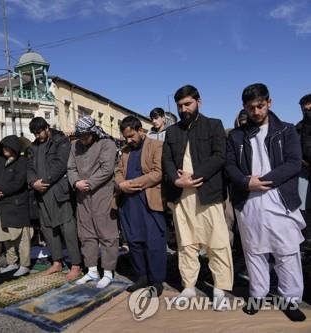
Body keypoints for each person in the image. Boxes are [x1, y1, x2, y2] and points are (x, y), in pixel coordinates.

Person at [226, 83, 306, 322]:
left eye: (260, 106)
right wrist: (245, 182)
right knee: (254, 253)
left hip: (280, 198)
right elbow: (229, 166)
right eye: (251, 108)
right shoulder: (236, 135)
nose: (256, 112)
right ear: (244, 108)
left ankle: (290, 299)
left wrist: (263, 180)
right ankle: (257, 295)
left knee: (287, 252)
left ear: (269, 102)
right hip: (249, 201)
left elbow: (294, 162)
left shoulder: (287, 131)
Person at [162, 85, 233, 310]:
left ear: (198, 102)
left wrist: (195, 175)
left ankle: (220, 289)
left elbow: (220, 156)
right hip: (181, 196)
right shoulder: (172, 132)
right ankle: (189, 287)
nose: (184, 109)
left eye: (188, 104)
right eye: (180, 106)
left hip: (207, 195)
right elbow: (167, 161)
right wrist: (176, 180)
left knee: (218, 244)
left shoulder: (214, 125)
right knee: (186, 245)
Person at [115, 116, 167, 295]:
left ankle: (156, 280)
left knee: (154, 242)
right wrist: (121, 184)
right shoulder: (125, 151)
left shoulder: (156, 146)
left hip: (149, 201)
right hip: (129, 203)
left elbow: (158, 173)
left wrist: (132, 183)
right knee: (134, 242)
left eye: (131, 136)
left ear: (140, 131)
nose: (129, 140)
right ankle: (141, 277)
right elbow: (118, 171)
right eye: (126, 137)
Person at [27, 117, 82, 280]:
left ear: (47, 128)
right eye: (35, 133)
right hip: (41, 194)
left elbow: (60, 164)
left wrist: (44, 181)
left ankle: (76, 264)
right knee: (48, 230)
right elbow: (29, 167)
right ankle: (57, 262)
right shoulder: (33, 147)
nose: (38, 136)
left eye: (40, 132)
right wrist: (33, 182)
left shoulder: (61, 141)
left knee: (68, 229)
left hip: (58, 192)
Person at [67, 116, 118, 288]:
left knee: (106, 233)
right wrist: (75, 182)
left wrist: (88, 183)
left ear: (93, 132)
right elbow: (71, 168)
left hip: (102, 193)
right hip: (82, 195)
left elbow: (107, 169)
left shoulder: (107, 144)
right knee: (86, 233)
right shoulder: (75, 146)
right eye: (80, 135)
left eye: (86, 135)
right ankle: (92, 270)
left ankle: (109, 271)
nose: (83, 139)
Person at [0, 135, 32, 277]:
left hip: (17, 205)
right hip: (2, 205)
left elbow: (18, 183)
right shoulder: (0, 163)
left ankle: (24, 264)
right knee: (6, 237)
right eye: (3, 147)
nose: (5, 150)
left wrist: (0, 192)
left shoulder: (22, 162)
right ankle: (12, 262)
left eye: (7, 147)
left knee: (21, 238)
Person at [296, 93, 311, 244]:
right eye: (304, 110)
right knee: (303, 209)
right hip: (303, 173)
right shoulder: (298, 128)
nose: (307, 113)